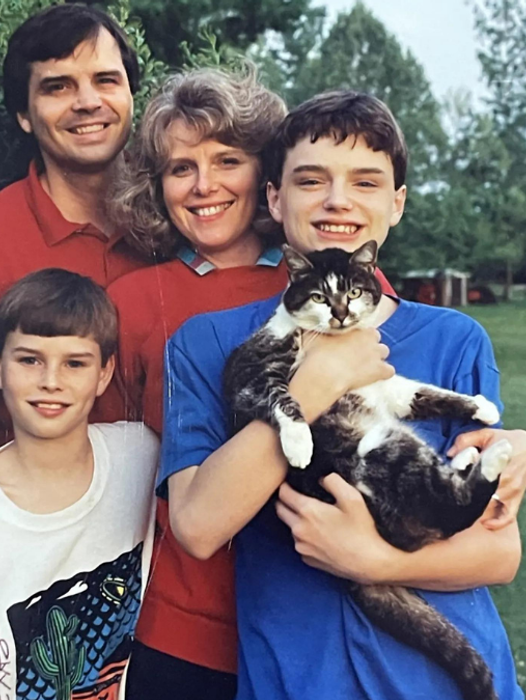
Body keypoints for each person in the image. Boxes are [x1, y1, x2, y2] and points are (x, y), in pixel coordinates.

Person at [159, 90, 526, 699]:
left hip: (443, 681)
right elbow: (197, 526)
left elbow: (499, 552)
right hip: (301, 677)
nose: (337, 199)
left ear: (397, 203)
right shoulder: (208, 342)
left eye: (366, 181)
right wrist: (318, 381)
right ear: (274, 197)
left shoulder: (454, 338)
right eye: (310, 180)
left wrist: (379, 565)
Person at [0, 3, 150, 484]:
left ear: (131, 94)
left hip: (171, 540)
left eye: (106, 80)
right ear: (24, 114)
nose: (88, 101)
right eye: (57, 86)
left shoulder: (176, 224)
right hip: (32, 540)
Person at [0, 268, 158, 700]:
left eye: (75, 363)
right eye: (29, 360)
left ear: (105, 373)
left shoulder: (141, 457)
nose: (51, 381)